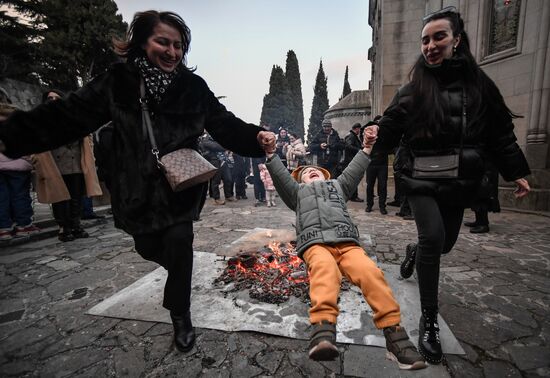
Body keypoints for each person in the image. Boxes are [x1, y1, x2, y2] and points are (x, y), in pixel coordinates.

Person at [0, 10, 275, 353]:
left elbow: (225, 124)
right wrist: (13, 134)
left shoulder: (193, 87)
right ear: (142, 42)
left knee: (179, 240)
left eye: (178, 45)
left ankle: (180, 314)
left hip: (180, 187)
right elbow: (70, 115)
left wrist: (256, 137)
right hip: (135, 189)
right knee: (147, 246)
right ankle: (178, 273)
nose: (172, 52)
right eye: (163, 42)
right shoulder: (119, 81)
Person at [371, 6, 530, 364]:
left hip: (459, 180)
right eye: (425, 39)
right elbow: (389, 128)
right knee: (433, 237)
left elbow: (500, 132)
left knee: (443, 244)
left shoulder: (480, 87)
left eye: (438, 36)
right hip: (421, 179)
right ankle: (429, 321)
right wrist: (372, 152)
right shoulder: (414, 88)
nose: (430, 45)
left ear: (457, 40)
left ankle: (414, 254)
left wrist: (516, 170)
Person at [263, 126, 426, 370]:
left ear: (326, 176)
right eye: (307, 172)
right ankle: (323, 330)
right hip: (315, 244)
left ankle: (395, 336)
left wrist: (368, 146)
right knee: (324, 270)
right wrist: (271, 153)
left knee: (371, 273)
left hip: (347, 243)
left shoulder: (338, 187)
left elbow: (355, 168)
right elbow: (281, 177)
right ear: (301, 180)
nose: (312, 172)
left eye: (316, 171)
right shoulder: (296, 193)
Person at [32, 90, 102, 242]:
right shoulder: (42, 121)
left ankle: (76, 225)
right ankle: (64, 227)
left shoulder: (73, 118)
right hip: (55, 166)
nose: (53, 100)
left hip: (75, 163)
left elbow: (86, 137)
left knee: (76, 197)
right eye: (50, 98)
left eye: (56, 98)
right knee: (60, 198)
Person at [0, 95, 40, 240]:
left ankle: (4, 228)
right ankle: (24, 225)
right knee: (20, 195)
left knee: (2, 197)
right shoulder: (16, 118)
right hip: (17, 163)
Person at [464, 162, 500, 233]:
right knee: (476, 193)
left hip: (487, 167)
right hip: (480, 164)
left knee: (483, 193)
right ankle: (479, 221)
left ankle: (483, 224)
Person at [364, 120, 389, 214]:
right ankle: (369, 205)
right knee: (369, 185)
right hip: (371, 163)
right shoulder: (369, 132)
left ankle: (382, 206)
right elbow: (363, 129)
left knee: (382, 186)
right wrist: (373, 125)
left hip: (382, 164)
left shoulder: (385, 134)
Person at [343, 123, 364, 202]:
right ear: (357, 129)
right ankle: (354, 196)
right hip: (351, 160)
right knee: (354, 179)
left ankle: (352, 196)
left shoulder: (353, 136)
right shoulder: (351, 136)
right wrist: (359, 150)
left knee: (353, 179)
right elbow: (348, 146)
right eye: (359, 129)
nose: (360, 131)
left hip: (351, 160)